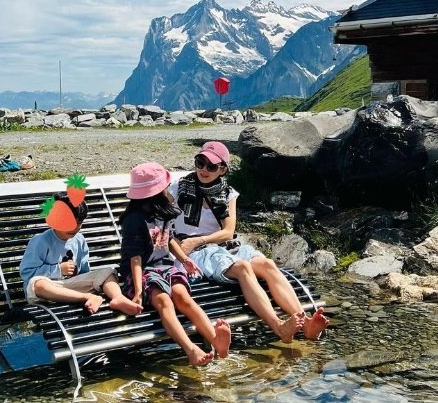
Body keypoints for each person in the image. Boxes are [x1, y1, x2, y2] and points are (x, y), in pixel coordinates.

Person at [169, 141, 329, 343]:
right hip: (195, 253)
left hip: (220, 246)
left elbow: (228, 232)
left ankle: (305, 324)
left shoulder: (228, 194)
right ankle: (278, 326)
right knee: (243, 267)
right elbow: (159, 221)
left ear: (223, 169)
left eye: (211, 166)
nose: (203, 170)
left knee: (268, 264)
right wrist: (186, 245)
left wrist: (199, 239)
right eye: (200, 162)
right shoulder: (177, 188)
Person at [119, 161, 231, 366]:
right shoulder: (134, 220)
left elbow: (169, 240)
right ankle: (191, 350)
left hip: (164, 267)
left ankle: (216, 340)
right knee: (164, 302)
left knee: (183, 297)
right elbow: (135, 260)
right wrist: (137, 292)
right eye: (163, 188)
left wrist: (185, 260)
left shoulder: (162, 212)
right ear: (154, 193)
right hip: (141, 272)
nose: (167, 191)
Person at [20, 192, 142, 315]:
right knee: (38, 284)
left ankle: (118, 298)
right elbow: (27, 273)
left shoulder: (79, 239)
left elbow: (85, 272)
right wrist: (58, 270)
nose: (75, 228)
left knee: (107, 272)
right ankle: (87, 297)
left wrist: (83, 277)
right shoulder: (41, 241)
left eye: (79, 223)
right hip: (49, 289)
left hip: (73, 286)